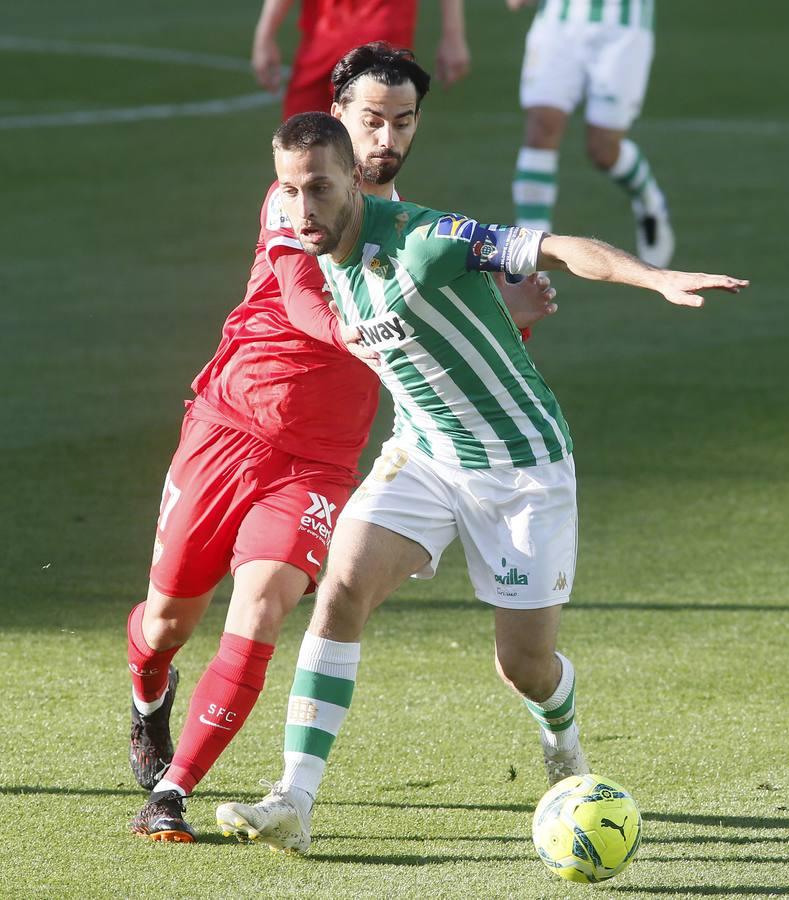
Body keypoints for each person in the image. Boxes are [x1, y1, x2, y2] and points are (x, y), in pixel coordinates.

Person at [214, 111, 747, 852]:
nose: (303, 209)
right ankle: (295, 798)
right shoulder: (291, 217)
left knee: (522, 666)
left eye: (320, 189)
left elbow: (554, 248)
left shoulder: (427, 243)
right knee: (338, 592)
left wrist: (652, 277)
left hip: (522, 469)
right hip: (424, 457)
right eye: (290, 189)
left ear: (353, 183)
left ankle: (562, 742)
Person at [128, 44, 557, 843]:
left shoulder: (417, 236)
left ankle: (172, 794)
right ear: (336, 121)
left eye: (401, 121)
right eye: (369, 119)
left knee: (262, 606)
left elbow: (455, 354)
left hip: (319, 462)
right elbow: (300, 299)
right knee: (165, 623)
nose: (385, 137)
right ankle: (149, 694)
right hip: (227, 428)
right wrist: (363, 334)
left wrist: (514, 314)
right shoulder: (295, 199)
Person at [507, 0, 675, 267]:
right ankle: (530, 261)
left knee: (603, 150)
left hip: (623, 27)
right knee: (541, 126)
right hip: (559, 20)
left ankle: (649, 200)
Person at [252, 0, 471, 118]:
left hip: (380, 33)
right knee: (299, 151)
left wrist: (453, 33)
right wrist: (265, 33)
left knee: (368, 157)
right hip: (320, 35)